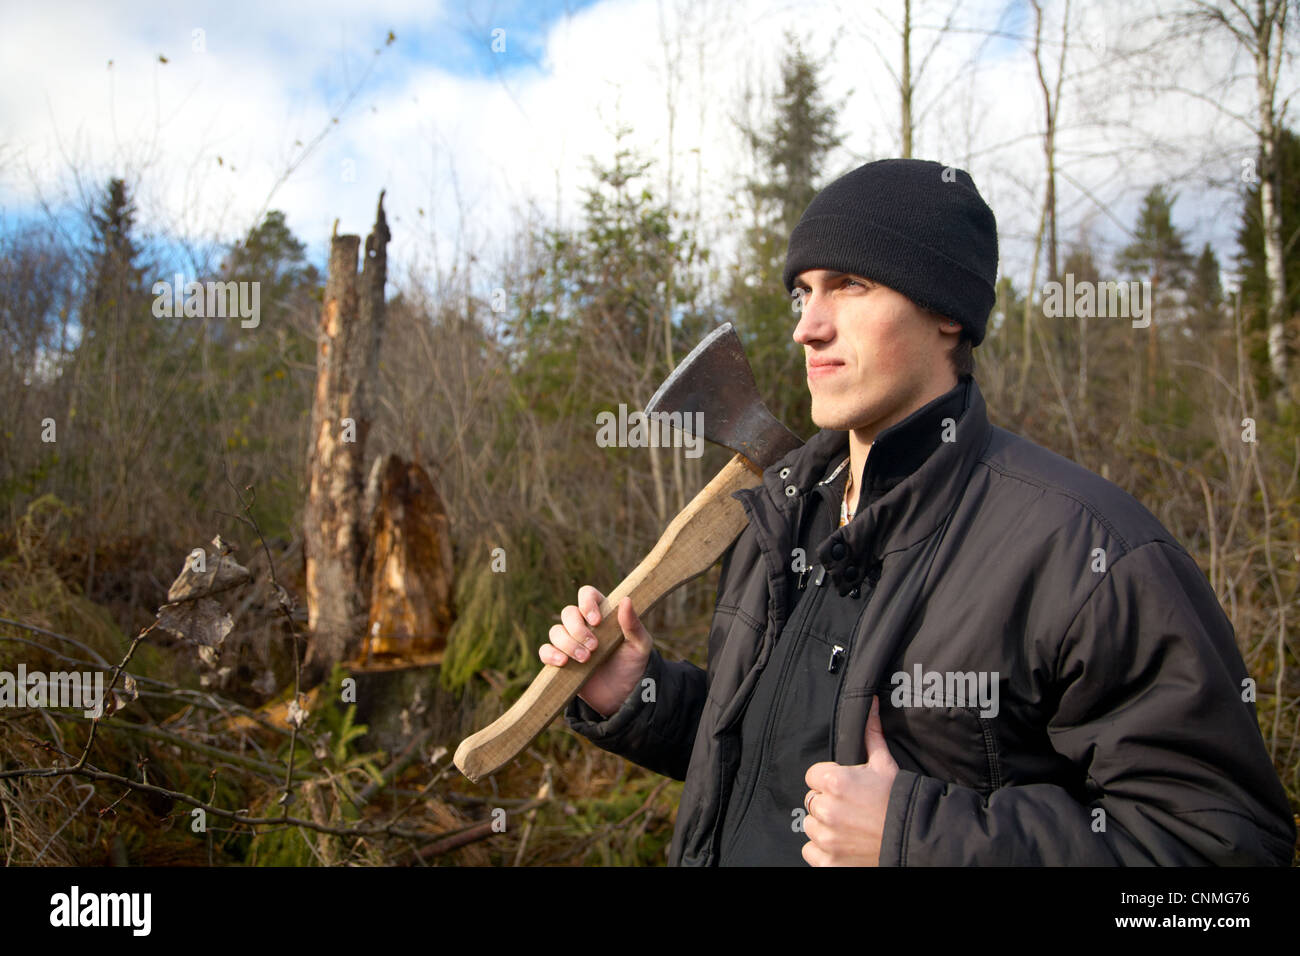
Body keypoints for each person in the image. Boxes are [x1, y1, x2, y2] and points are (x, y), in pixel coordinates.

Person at [540, 158, 1296, 866]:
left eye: (850, 285)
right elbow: (764, 759)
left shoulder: (1089, 555)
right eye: (803, 292)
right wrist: (641, 697)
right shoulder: (780, 519)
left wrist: (917, 839)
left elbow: (1222, 856)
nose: (808, 326)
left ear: (948, 313)